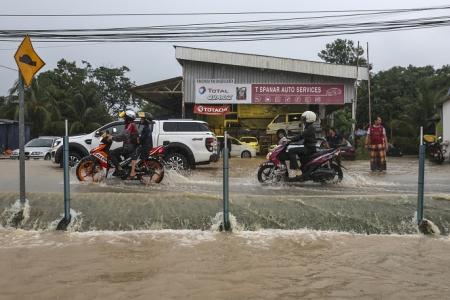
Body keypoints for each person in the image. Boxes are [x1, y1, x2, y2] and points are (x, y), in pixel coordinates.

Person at [110, 110, 139, 177]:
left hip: (128, 147)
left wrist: (112, 138)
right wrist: (113, 137)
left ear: (128, 118)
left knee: (112, 153)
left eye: (125, 117)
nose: (124, 119)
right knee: (116, 153)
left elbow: (123, 136)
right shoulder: (129, 125)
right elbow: (123, 135)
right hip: (130, 146)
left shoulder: (130, 125)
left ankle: (119, 169)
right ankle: (120, 168)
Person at [288, 111, 317, 176]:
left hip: (309, 148)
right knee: (299, 153)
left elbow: (301, 136)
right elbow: (301, 135)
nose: (303, 120)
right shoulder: (309, 127)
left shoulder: (310, 128)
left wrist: (290, 140)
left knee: (291, 150)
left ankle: (296, 169)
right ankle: (304, 170)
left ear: (309, 118)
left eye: (304, 118)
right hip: (309, 147)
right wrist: (291, 137)